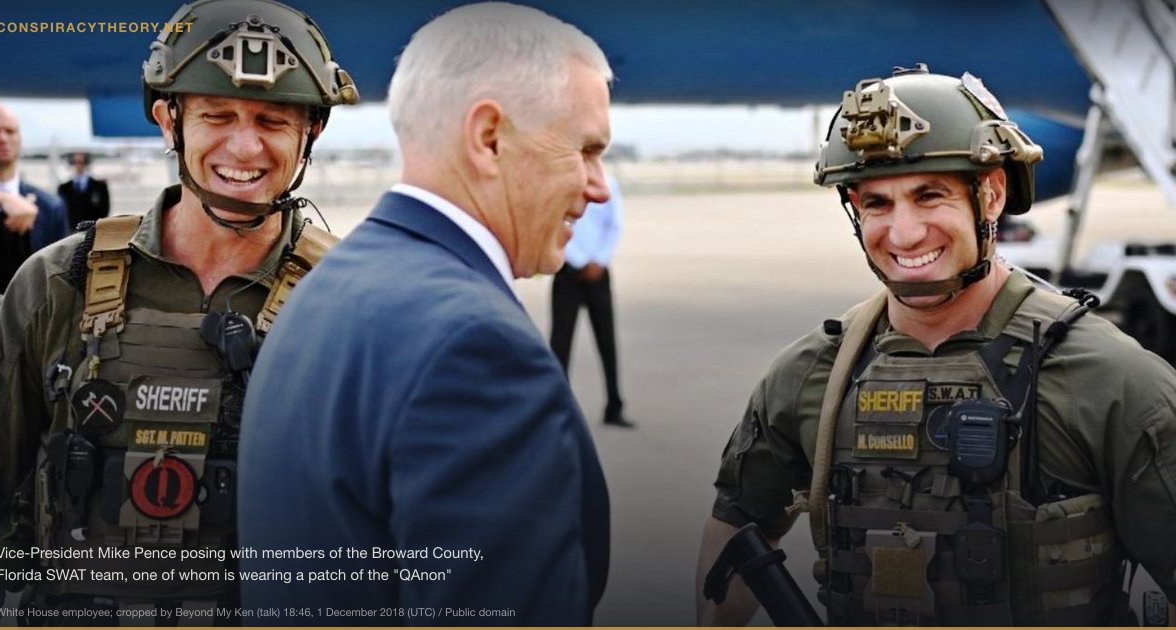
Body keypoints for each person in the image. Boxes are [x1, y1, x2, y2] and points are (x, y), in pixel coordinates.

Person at [695, 65, 1176, 626]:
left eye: (930, 196)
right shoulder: (811, 376)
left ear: (991, 194)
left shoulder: (1111, 380)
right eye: (877, 203)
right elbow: (734, 528)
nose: (903, 234)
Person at [0, 0, 357, 623]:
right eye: (217, 114)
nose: (245, 145)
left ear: (310, 132)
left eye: (272, 120)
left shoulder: (351, 297)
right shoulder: (56, 283)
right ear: (167, 119)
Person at [237, 2, 612, 625]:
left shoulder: (331, 284)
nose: (599, 185)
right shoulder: (476, 347)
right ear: (489, 137)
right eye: (587, 149)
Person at [550, 174, 634, 428]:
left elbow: (614, 224)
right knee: (561, 343)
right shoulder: (561, 180)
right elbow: (553, 222)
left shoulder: (607, 181)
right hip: (568, 269)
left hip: (598, 270)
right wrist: (577, 260)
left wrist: (599, 259)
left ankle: (614, 406)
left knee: (606, 341)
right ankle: (556, 409)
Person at [0, 103, 68, 326]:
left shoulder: (50, 206)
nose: (2, 138)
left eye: (10, 131)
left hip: (30, 334)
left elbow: (63, 278)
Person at [57, 151, 110, 231]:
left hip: (92, 231)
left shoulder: (99, 186)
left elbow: (104, 209)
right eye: (75, 162)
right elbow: (62, 211)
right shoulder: (64, 188)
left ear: (87, 163)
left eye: (82, 162)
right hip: (71, 231)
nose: (79, 165)